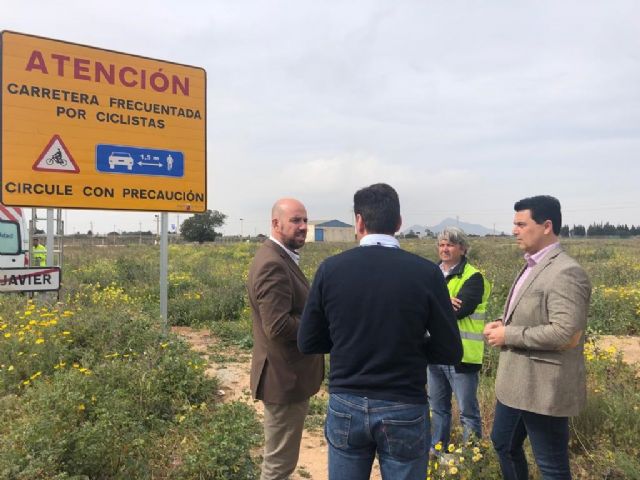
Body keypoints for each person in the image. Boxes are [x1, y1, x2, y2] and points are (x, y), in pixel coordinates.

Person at [298, 183, 462, 480]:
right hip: (404, 403)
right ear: (398, 223)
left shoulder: (331, 269)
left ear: (358, 221)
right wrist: (412, 348)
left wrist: (347, 344)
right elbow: (450, 349)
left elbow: (308, 340)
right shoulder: (427, 273)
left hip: (347, 399)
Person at [483, 195, 591, 480]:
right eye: (514, 224)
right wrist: (503, 324)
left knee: (552, 466)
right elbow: (532, 314)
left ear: (546, 226)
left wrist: (509, 334)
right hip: (516, 385)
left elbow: (566, 333)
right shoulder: (531, 264)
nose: (514, 230)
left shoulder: (566, 271)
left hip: (544, 389)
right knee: (503, 444)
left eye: (521, 224)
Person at [247, 198, 324, 480]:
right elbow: (277, 327)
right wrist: (318, 324)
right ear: (276, 224)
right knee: (279, 465)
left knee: (280, 460)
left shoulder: (279, 257)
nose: (303, 226)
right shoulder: (273, 264)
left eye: (304, 220)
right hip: (284, 378)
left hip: (286, 375)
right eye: (295, 221)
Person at [428, 227, 491, 452]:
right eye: (442, 244)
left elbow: (459, 311)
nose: (445, 249)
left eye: (451, 245)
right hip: (434, 353)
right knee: (438, 409)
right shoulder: (432, 272)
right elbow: (418, 304)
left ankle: (472, 460)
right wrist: (445, 301)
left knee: (467, 412)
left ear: (462, 249)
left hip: (462, 356)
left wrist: (432, 304)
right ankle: (437, 453)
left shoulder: (473, 277)